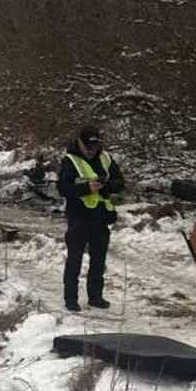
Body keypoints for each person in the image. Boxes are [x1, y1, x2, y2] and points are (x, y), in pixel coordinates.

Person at [58, 125, 125, 312]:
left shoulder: (105, 158)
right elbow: (63, 188)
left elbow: (120, 183)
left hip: (101, 216)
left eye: (95, 146)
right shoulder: (70, 160)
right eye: (88, 146)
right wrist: (87, 188)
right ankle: (71, 299)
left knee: (98, 260)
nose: (91, 150)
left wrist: (106, 186)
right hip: (78, 216)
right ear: (80, 142)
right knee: (75, 259)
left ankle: (95, 297)